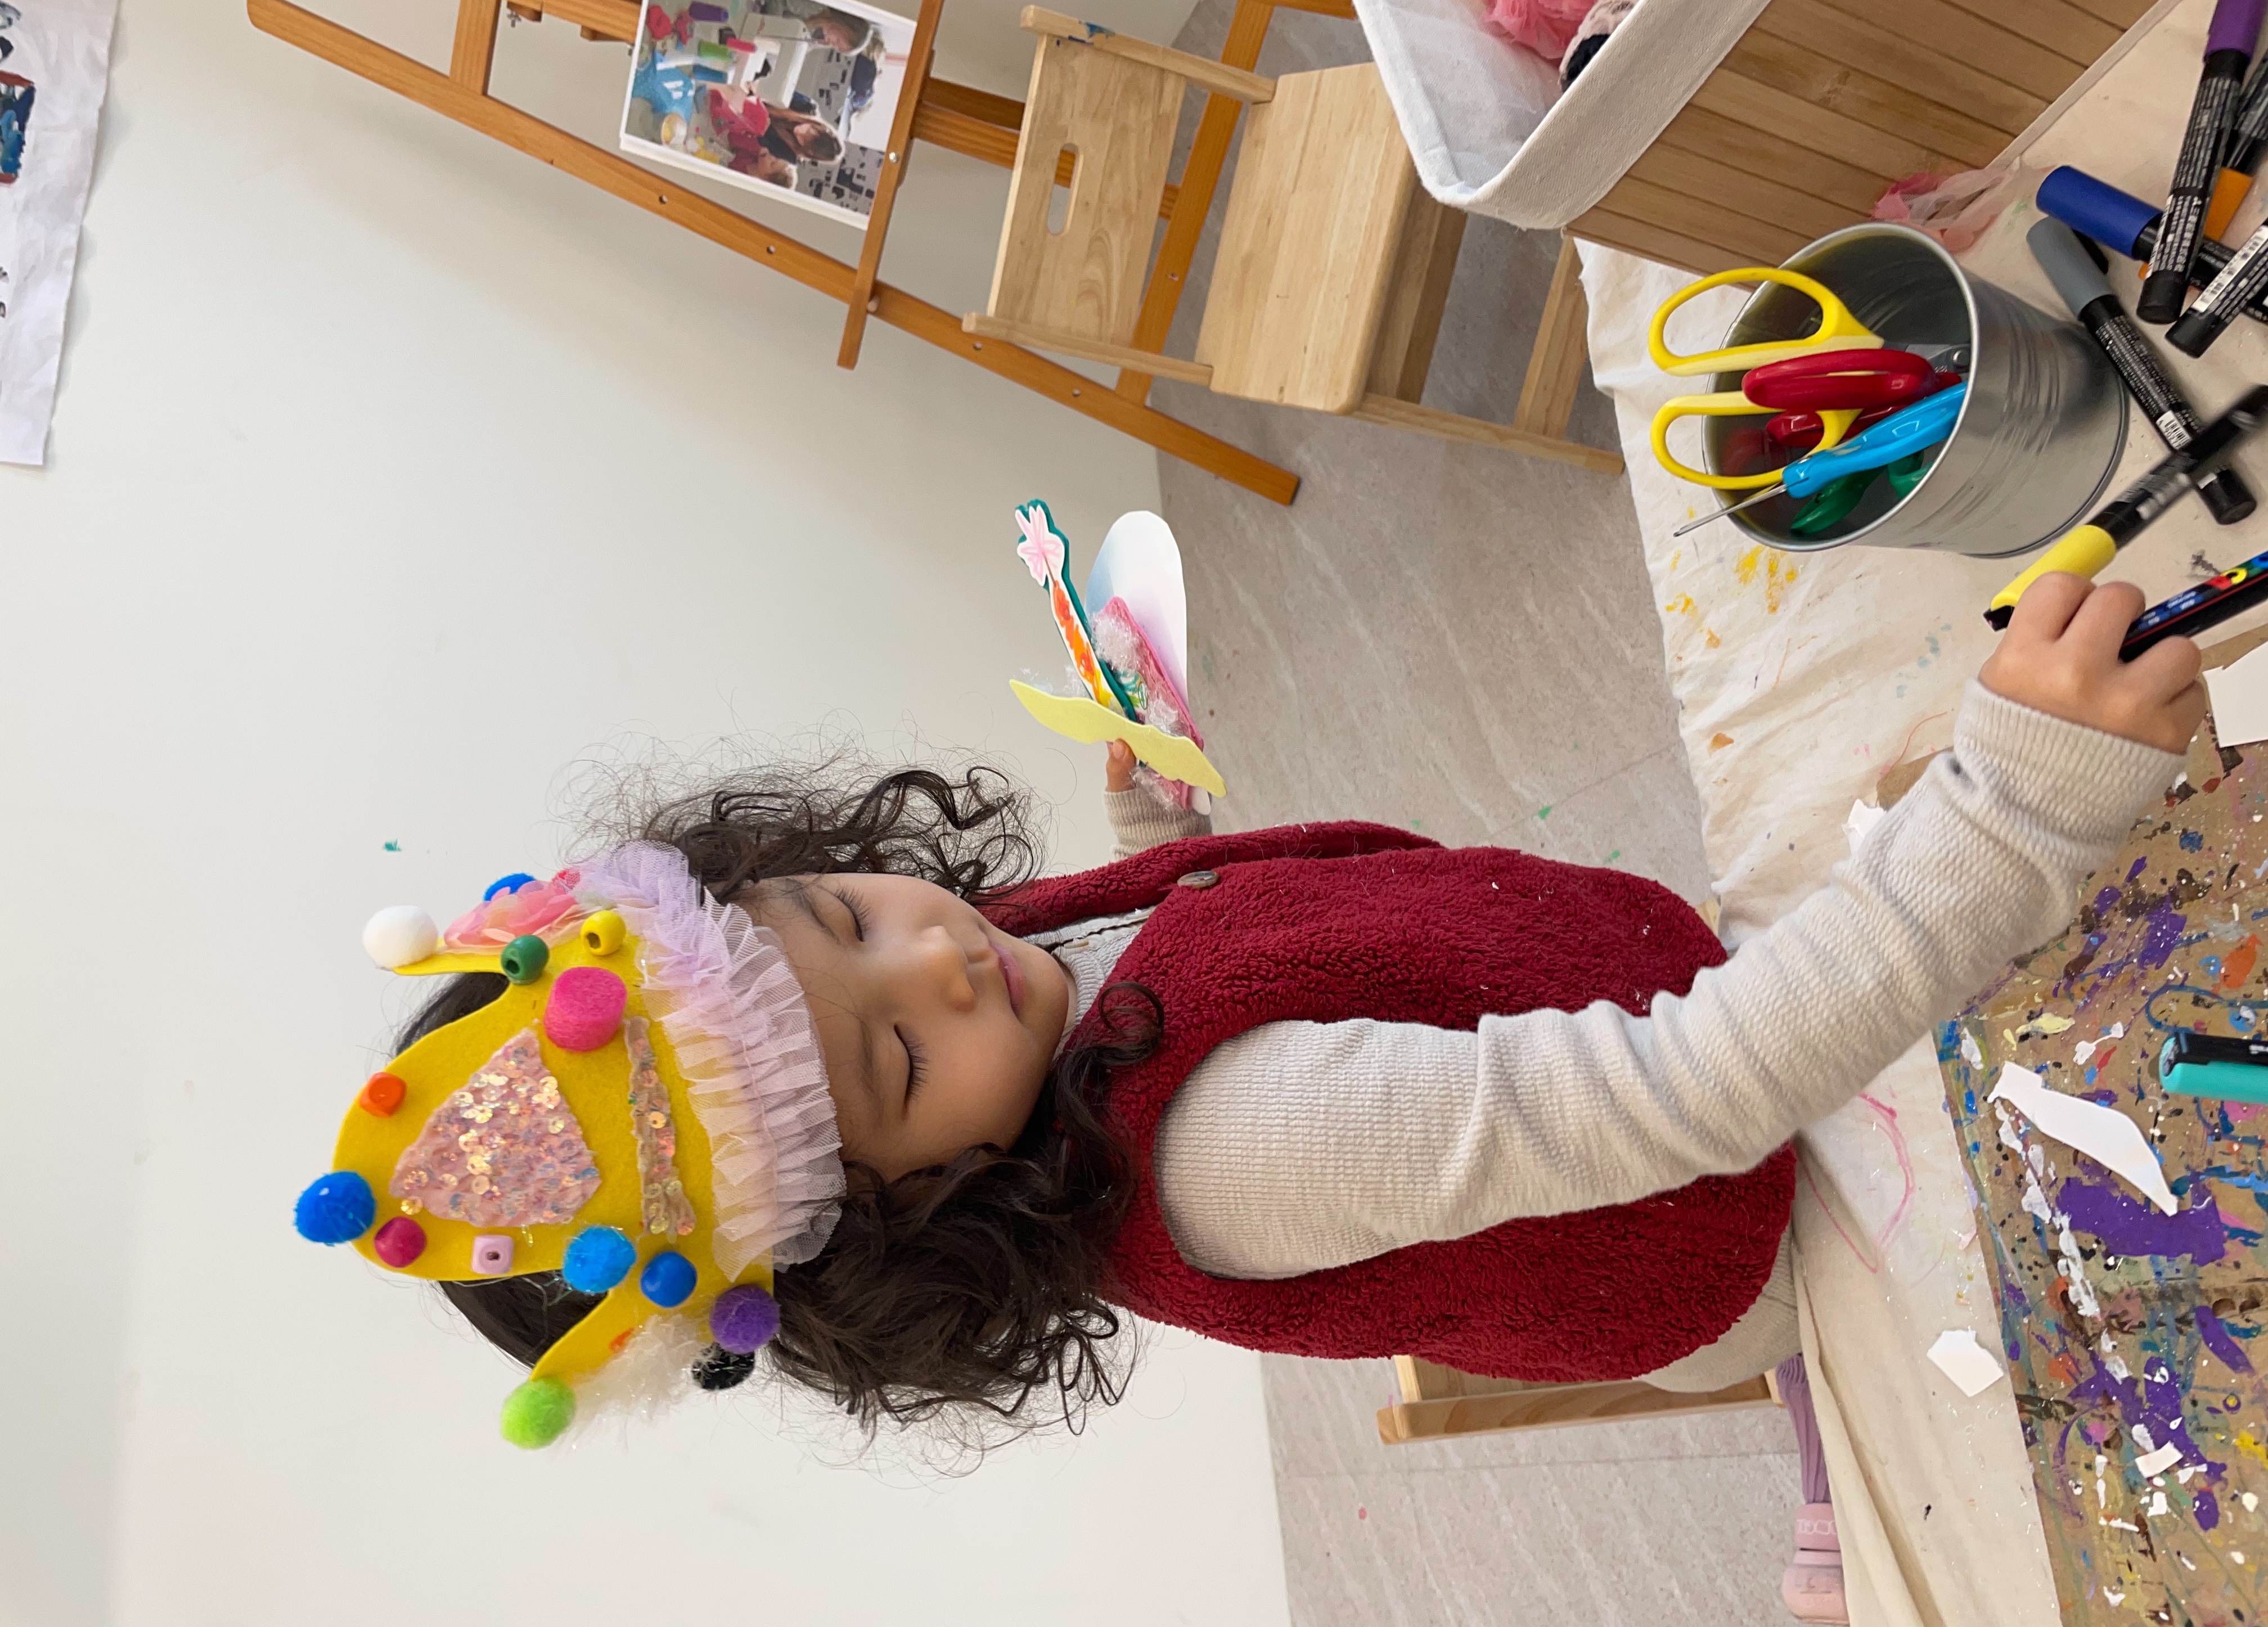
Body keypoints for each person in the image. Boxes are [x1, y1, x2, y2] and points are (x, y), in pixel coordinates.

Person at [306, 574, 2198, 1530]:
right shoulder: (1231, 1152)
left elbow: (1209, 954)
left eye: (845, 912)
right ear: (909, 1215)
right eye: (891, 1071)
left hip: (1658, 1037)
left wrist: (1154, 832)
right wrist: (2023, 809)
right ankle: (1823, 1438)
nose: (946, 964)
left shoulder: (1015, 981)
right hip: (1739, 1194)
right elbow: (1696, 1093)